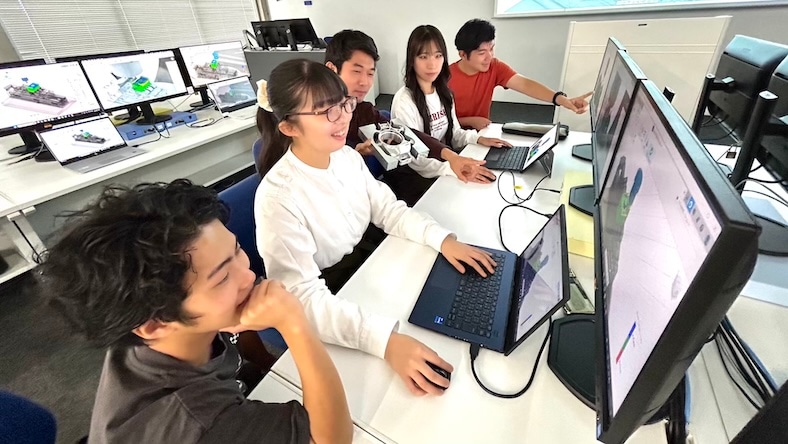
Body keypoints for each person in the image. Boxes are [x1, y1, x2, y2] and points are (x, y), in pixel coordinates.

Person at [39, 180, 352, 444]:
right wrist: (295, 325)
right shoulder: (199, 421)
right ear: (153, 325)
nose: (247, 274)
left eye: (237, 250)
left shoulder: (155, 330)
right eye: (221, 277)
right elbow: (331, 438)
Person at [254, 59, 497, 396]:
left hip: (368, 265)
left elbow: (389, 211)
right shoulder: (278, 197)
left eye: (344, 104)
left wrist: (443, 240)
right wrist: (384, 342)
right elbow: (304, 298)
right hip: (333, 292)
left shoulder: (346, 157)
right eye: (326, 112)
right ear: (289, 127)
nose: (344, 119)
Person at [322, 29, 496, 205]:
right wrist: (351, 155)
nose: (365, 82)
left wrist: (453, 157)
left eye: (370, 73)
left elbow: (407, 132)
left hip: (363, 195)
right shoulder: (311, 116)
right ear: (331, 69)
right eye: (356, 71)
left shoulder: (364, 110)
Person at [449, 19, 592, 130]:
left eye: (492, 49)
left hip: (480, 134)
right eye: (482, 53)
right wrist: (470, 121)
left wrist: (562, 100)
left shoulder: (494, 67)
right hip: (450, 139)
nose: (489, 57)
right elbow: (434, 123)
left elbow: (525, 84)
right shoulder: (445, 78)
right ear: (462, 54)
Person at [391, 24, 512, 150]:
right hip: (423, 167)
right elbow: (414, 155)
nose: (432, 65)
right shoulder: (404, 101)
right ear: (412, 60)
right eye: (423, 57)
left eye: (438, 56)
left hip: (445, 161)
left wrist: (478, 139)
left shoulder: (444, 93)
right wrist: (451, 165)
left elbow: (454, 134)